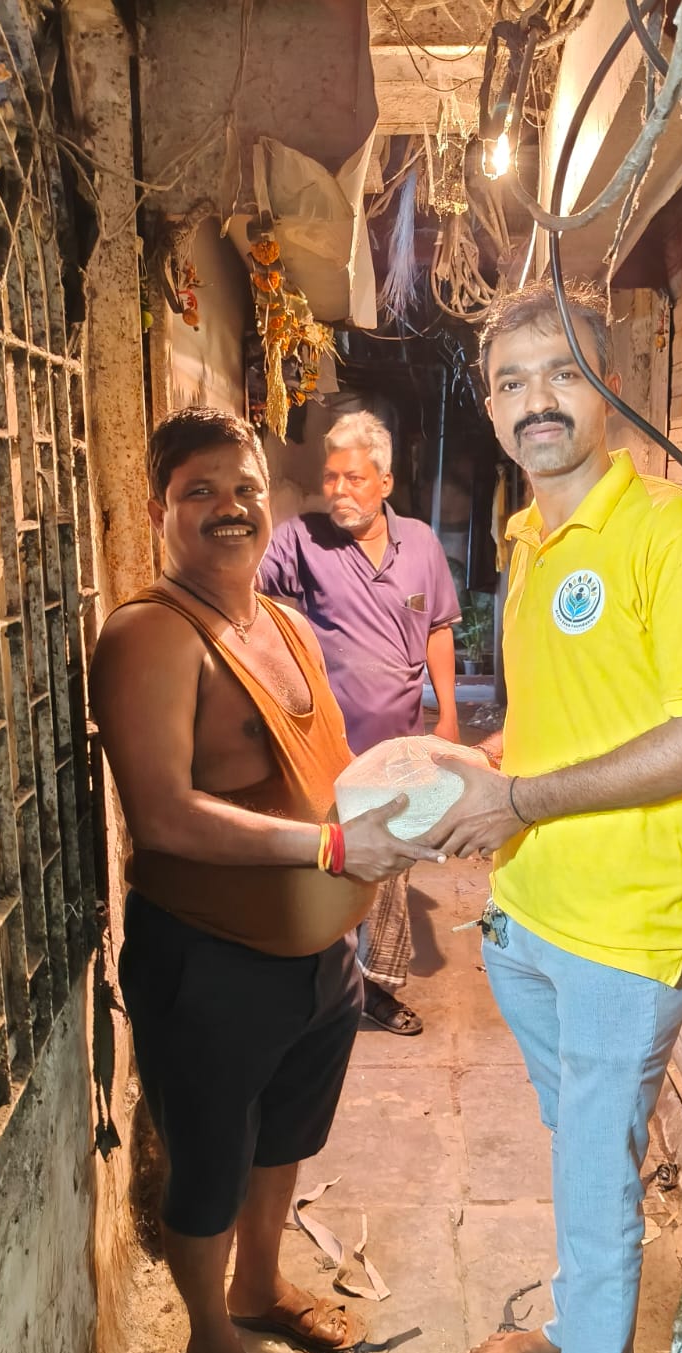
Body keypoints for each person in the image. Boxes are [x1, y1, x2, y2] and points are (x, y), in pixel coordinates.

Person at [425, 282, 682, 1353]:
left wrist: (520, 799)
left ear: (610, 386)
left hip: (624, 930)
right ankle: (573, 1332)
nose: (537, 400)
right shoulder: (525, 537)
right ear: (492, 407)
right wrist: (472, 774)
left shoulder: (673, 533)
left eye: (563, 372)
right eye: (511, 381)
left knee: (596, 1183)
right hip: (529, 918)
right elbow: (557, 720)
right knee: (579, 1158)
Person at [90, 407, 442, 1353]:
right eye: (198, 491)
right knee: (208, 1161)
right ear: (159, 511)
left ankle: (258, 1285)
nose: (229, 507)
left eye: (244, 488)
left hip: (318, 960)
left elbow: (324, 766)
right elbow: (163, 814)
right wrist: (327, 849)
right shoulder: (153, 635)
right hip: (210, 960)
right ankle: (209, 1349)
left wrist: (415, 799)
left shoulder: (283, 623)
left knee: (287, 1134)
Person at [257, 409, 462, 1038]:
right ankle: (328, 981)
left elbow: (437, 629)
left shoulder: (420, 545)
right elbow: (248, 594)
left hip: (397, 744)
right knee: (331, 860)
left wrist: (448, 716)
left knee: (391, 863)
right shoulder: (300, 539)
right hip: (322, 744)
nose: (338, 490)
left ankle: (375, 986)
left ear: (385, 482)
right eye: (330, 478)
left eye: (353, 478)